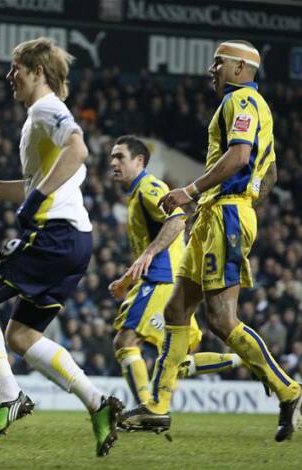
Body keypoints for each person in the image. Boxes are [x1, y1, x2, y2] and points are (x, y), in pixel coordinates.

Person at [120, 40, 302, 442]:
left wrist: (195, 192)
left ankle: (290, 391)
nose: (212, 70)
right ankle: (157, 407)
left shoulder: (240, 100)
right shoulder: (258, 108)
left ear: (241, 68)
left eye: (218, 63)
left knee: (222, 320)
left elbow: (241, 156)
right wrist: (245, 201)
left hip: (223, 213)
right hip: (219, 213)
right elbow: (270, 172)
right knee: (177, 310)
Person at [0, 37, 122, 457]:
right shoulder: (41, 118)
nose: (10, 77)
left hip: (53, 235)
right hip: (77, 241)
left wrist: (39, 199)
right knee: (21, 335)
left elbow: (79, 149)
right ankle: (99, 404)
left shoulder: (46, 109)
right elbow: (29, 187)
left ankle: (10, 395)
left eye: (16, 69)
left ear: (37, 71)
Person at [107, 135, 242, 407]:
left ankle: (148, 409)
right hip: (163, 278)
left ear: (139, 161)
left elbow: (178, 219)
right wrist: (127, 278)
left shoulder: (148, 187)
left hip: (161, 280)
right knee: (174, 360)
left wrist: (149, 253)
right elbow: (153, 243)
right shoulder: (135, 196)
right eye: (112, 157)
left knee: (125, 341)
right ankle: (241, 358)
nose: (113, 162)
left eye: (120, 156)